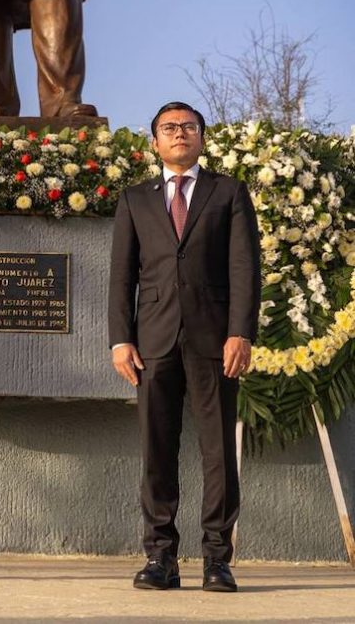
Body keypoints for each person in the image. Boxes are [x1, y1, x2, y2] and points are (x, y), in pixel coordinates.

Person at [108, 102, 261, 592]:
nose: (180, 133)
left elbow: (245, 267)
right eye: (169, 128)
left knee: (218, 451)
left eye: (188, 126)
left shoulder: (228, 192)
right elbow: (122, 276)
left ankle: (217, 558)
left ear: (201, 137)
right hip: (152, 341)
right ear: (155, 141)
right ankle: (161, 557)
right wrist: (120, 338)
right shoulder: (135, 199)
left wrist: (241, 331)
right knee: (157, 449)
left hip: (215, 338)